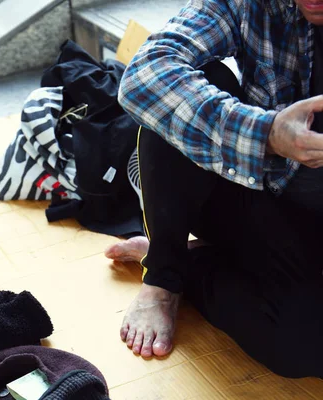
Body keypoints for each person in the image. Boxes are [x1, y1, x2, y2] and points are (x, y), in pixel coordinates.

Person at [108, 0, 323, 379]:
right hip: (252, 186)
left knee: (304, 349)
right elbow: (145, 74)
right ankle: (164, 274)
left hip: (309, 227)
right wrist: (267, 134)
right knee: (194, 82)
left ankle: (194, 262)